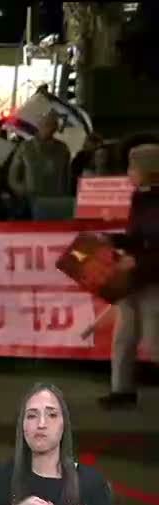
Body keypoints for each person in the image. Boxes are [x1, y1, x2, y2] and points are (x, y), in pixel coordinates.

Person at [101, 143, 159, 409]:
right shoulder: (139, 197)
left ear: (149, 170)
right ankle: (121, 390)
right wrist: (113, 240)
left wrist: (138, 260)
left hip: (153, 280)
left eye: (132, 167)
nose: (128, 173)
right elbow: (137, 237)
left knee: (154, 338)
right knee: (124, 335)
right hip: (134, 278)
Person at [7, 111, 72, 220]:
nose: (50, 128)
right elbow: (13, 177)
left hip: (56, 201)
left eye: (53, 125)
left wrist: (65, 196)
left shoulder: (62, 149)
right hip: (31, 201)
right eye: (46, 124)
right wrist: (23, 192)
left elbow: (67, 176)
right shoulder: (25, 147)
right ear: (39, 126)